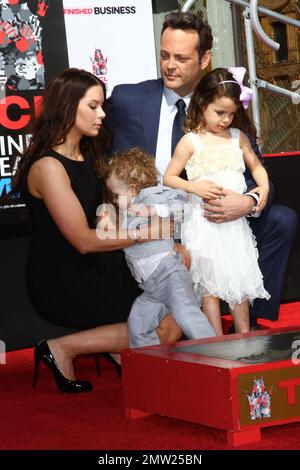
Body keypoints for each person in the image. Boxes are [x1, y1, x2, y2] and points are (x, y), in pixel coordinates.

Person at [106, 10, 298, 326]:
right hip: (153, 220)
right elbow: (97, 159)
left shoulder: (225, 107)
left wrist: (247, 202)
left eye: (181, 58)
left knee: (280, 219)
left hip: (215, 216)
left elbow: (259, 172)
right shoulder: (127, 99)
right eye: (165, 55)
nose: (169, 65)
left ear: (204, 58)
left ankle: (251, 325)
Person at [12, 68, 181, 394]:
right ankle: (61, 348)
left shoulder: (89, 155)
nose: (102, 114)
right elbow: (83, 241)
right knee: (165, 325)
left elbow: (106, 222)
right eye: (93, 106)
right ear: (67, 106)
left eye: (102, 105)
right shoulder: (48, 167)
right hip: (62, 277)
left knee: (173, 306)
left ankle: (120, 351)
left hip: (101, 266)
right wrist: (147, 233)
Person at [164, 67, 271, 335]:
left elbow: (257, 167)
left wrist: (263, 188)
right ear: (202, 104)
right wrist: (195, 187)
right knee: (209, 284)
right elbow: (169, 177)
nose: (225, 120)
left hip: (234, 225)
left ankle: (244, 335)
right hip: (203, 223)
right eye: (219, 112)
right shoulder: (190, 142)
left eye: (231, 114)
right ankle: (215, 341)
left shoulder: (238, 138)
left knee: (237, 276)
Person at [103, 147, 216, 346]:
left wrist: (154, 210)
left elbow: (184, 210)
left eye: (115, 195)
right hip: (151, 288)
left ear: (134, 188)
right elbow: (111, 237)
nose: (113, 200)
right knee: (137, 324)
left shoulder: (155, 197)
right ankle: (150, 365)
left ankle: (217, 354)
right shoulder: (125, 214)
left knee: (187, 315)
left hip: (170, 275)